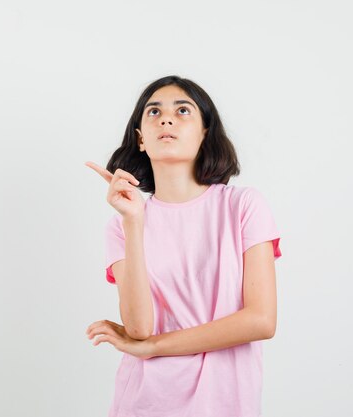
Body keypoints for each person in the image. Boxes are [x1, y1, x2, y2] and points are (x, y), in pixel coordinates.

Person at [85, 75, 282, 417]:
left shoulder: (243, 206)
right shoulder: (120, 226)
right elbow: (138, 329)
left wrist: (153, 347)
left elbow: (261, 321)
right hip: (144, 402)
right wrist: (134, 220)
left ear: (205, 133)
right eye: (154, 112)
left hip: (223, 404)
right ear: (141, 140)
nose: (166, 118)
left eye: (183, 110)